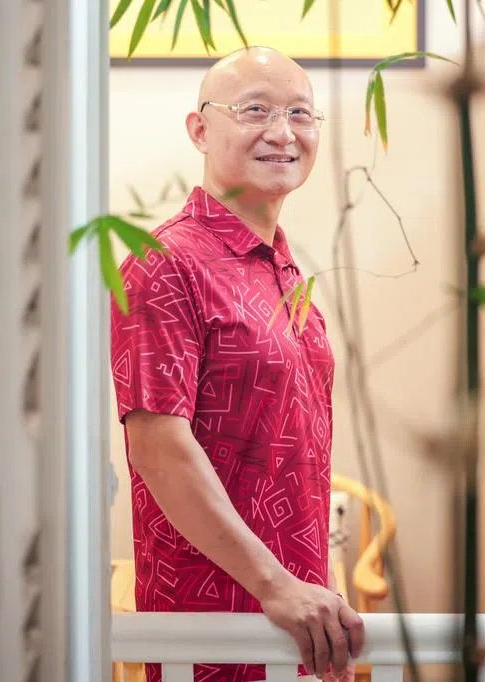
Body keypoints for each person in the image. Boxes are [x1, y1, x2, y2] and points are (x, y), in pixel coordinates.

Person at [110, 46, 366, 682]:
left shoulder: (281, 266)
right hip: (214, 625)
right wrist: (275, 584)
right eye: (255, 110)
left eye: (300, 114)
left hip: (298, 614)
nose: (283, 132)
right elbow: (158, 448)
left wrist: (310, 586)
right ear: (200, 129)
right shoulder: (164, 263)